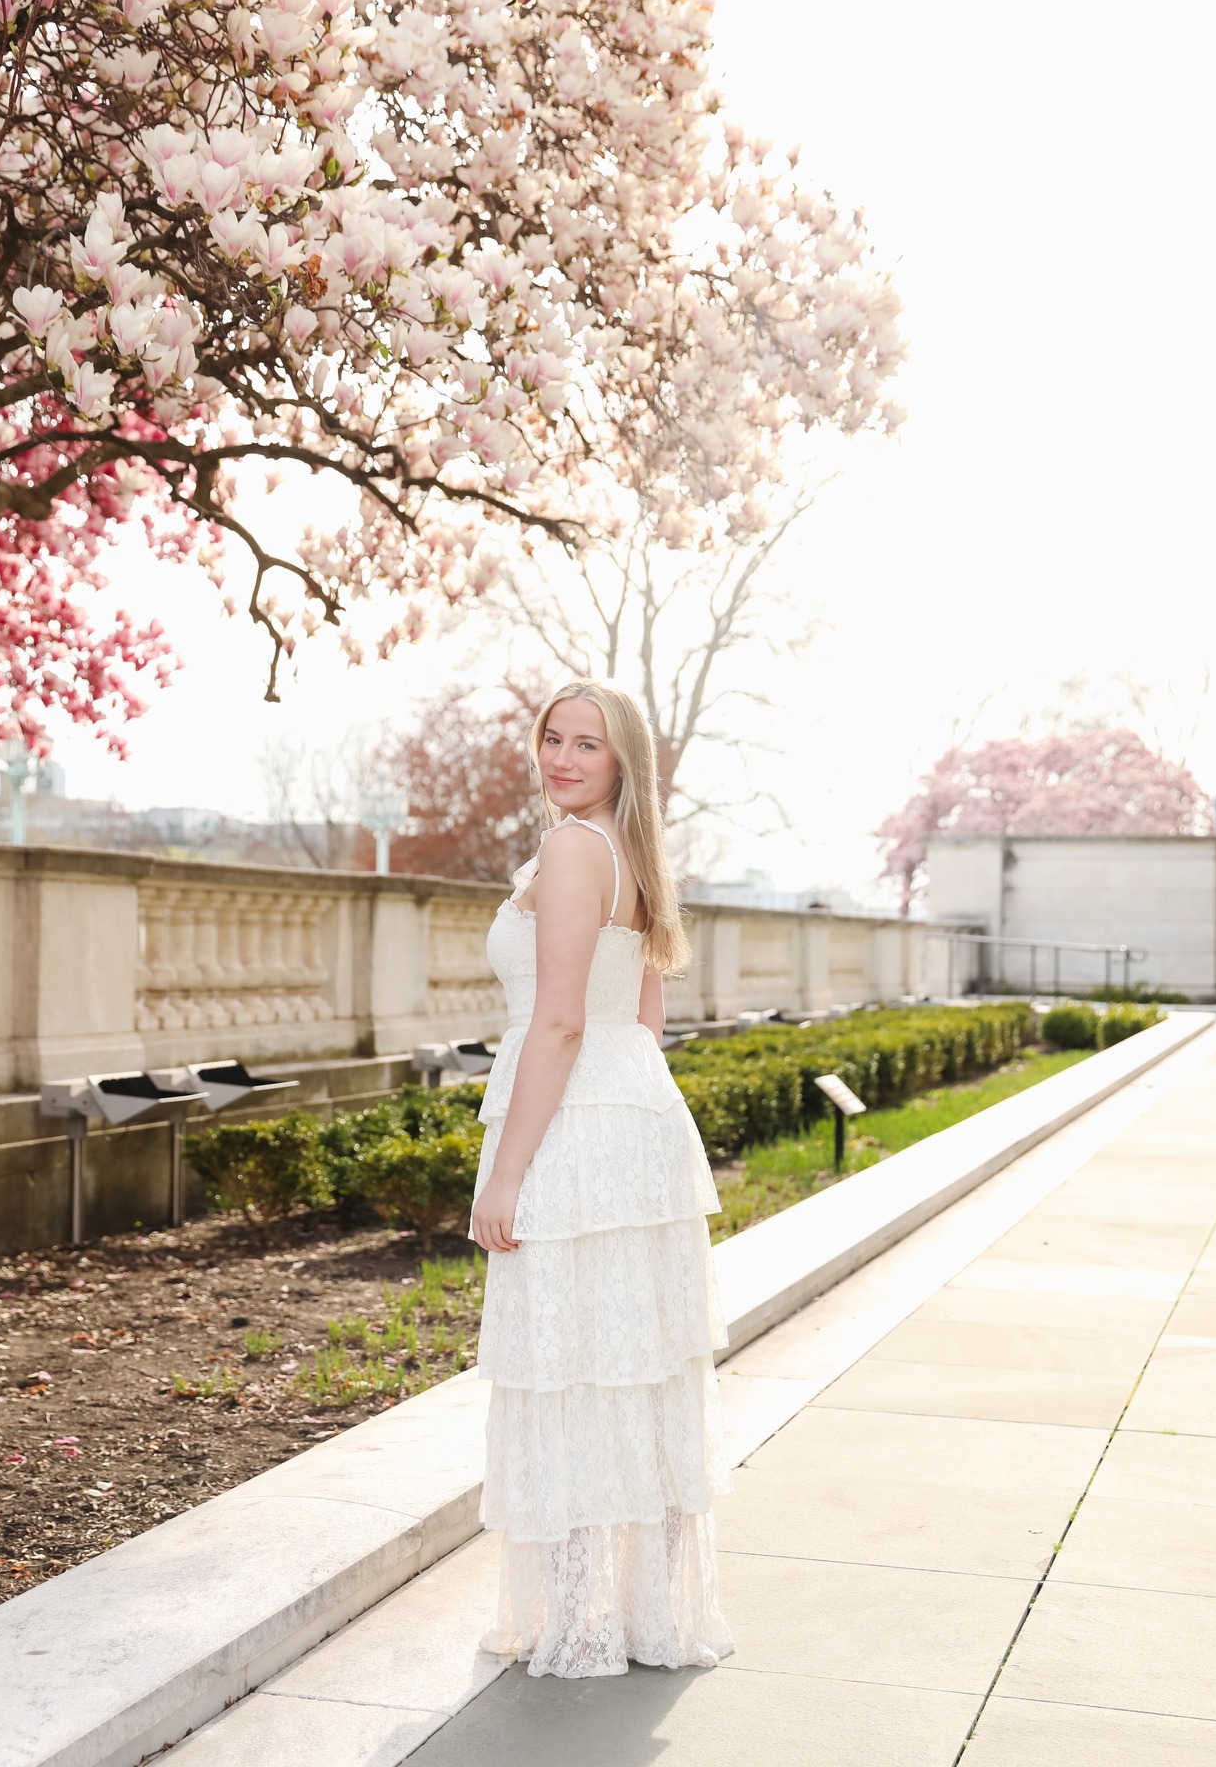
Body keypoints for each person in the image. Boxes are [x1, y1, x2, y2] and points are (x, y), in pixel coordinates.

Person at [470, 677, 734, 1679]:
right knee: (625, 1363)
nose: (564, 758)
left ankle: (586, 1622)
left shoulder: (576, 849)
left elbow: (564, 1018)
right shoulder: (632, 855)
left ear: (622, 761)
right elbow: (645, 1018)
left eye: (589, 744)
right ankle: (633, 1617)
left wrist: (508, 1173)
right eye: (554, 738)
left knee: (576, 1364)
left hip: (578, 1122)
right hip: (636, 1120)